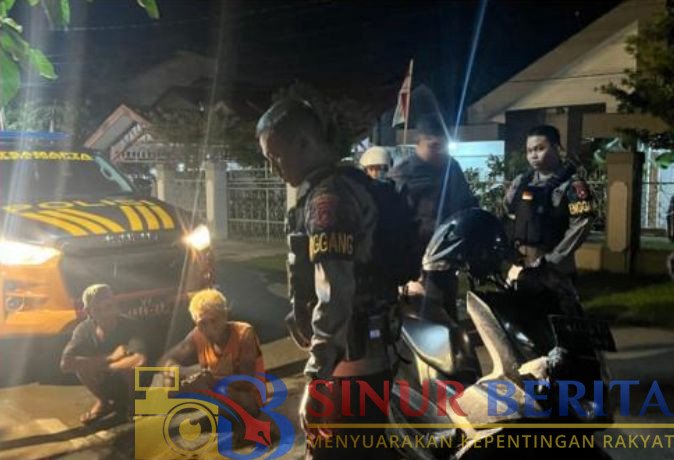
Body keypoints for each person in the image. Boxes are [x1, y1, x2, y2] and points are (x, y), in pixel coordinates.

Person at [257, 98, 398, 459]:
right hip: (360, 352)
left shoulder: (328, 200)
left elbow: (335, 294)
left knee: (333, 451)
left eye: (276, 157)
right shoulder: (337, 186)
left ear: (304, 143)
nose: (273, 168)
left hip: (350, 359)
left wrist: (317, 377)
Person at [389, 115, 477, 320]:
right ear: (419, 142)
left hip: (447, 258)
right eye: (432, 144)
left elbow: (466, 205)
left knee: (448, 313)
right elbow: (392, 223)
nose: (438, 150)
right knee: (422, 318)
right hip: (416, 262)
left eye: (442, 145)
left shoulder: (451, 168)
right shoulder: (403, 173)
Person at [155, 288, 264, 415]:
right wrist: (183, 372)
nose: (210, 328)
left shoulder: (244, 334)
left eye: (214, 320)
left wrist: (211, 380)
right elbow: (163, 361)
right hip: (213, 393)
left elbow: (247, 382)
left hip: (247, 399)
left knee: (216, 390)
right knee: (170, 381)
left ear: (225, 315)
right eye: (203, 323)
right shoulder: (197, 335)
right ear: (196, 323)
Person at [504, 125, 594, 279]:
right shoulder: (521, 182)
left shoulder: (571, 185)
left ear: (556, 148)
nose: (533, 155)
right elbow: (509, 211)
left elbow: (581, 226)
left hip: (555, 270)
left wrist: (553, 259)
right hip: (520, 265)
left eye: (540, 149)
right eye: (529, 151)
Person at [60, 284, 147, 424]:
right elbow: (66, 364)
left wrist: (107, 367)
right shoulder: (83, 329)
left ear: (115, 305)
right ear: (88, 312)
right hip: (105, 378)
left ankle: (134, 405)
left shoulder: (130, 325)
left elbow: (139, 360)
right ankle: (104, 402)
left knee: (131, 368)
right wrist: (109, 358)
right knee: (81, 367)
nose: (104, 313)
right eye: (97, 309)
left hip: (134, 383)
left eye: (108, 306)